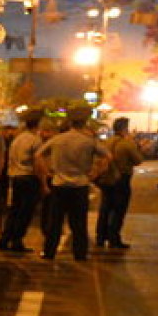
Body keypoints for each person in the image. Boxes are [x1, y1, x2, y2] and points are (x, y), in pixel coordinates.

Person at [37, 106, 109, 261]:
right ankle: (80, 253)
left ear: (70, 121)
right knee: (79, 223)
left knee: (55, 222)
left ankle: (49, 252)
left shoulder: (58, 139)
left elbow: (38, 155)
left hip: (59, 184)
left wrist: (48, 171)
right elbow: (108, 156)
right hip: (80, 185)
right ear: (85, 122)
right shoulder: (89, 141)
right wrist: (95, 173)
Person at [0, 108, 44, 253]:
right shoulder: (35, 140)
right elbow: (37, 163)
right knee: (25, 212)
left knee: (15, 211)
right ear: (37, 125)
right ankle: (17, 241)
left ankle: (4, 239)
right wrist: (43, 182)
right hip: (28, 178)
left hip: (15, 177)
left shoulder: (18, 139)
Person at [95, 117, 144, 249]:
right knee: (118, 210)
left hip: (106, 179)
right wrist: (139, 147)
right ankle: (114, 238)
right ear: (124, 129)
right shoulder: (126, 144)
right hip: (121, 179)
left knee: (105, 208)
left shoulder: (106, 142)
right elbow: (138, 160)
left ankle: (100, 237)